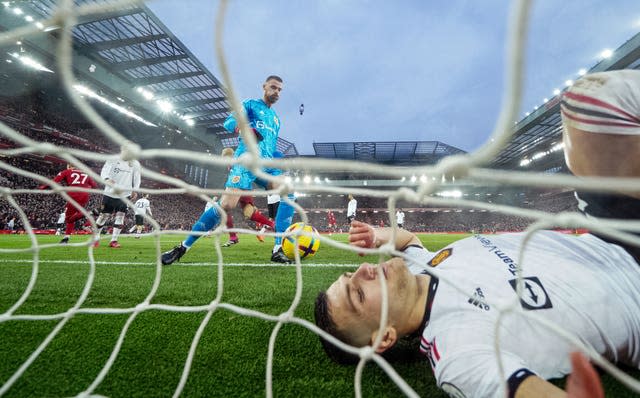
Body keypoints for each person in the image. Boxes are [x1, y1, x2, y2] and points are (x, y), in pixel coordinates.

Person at [314, 69, 640, 398]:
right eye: (359, 294)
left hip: (611, 236)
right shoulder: (455, 348)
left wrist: (378, 232)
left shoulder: (420, 267)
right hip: (635, 298)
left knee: (590, 102)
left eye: (350, 274)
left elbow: (408, 240)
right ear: (384, 336)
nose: (364, 270)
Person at [162, 75, 296, 265]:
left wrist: (277, 157)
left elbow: (269, 144)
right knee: (227, 205)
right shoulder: (250, 105)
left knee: (289, 194)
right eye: (273, 88)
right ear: (264, 86)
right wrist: (244, 129)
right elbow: (229, 122)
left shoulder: (276, 119)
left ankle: (277, 249)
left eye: (280, 90)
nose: (277, 92)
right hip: (245, 159)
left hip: (266, 164)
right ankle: (183, 246)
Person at [216, 147, 273, 247]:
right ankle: (272, 225)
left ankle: (233, 237)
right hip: (243, 188)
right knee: (249, 214)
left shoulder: (236, 161)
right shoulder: (231, 164)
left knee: (225, 209)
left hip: (241, 187)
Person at [94, 145, 141, 248]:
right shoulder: (113, 159)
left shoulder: (135, 163)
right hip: (110, 192)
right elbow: (104, 171)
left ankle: (114, 240)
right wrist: (106, 179)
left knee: (120, 217)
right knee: (103, 216)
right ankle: (95, 239)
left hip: (125, 194)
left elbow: (137, 178)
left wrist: (135, 190)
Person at [40, 163, 98, 244]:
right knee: (73, 217)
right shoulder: (85, 173)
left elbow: (55, 181)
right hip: (85, 195)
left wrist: (43, 187)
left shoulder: (66, 171)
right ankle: (66, 238)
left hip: (73, 194)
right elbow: (95, 186)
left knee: (69, 219)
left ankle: (89, 212)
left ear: (69, 166)